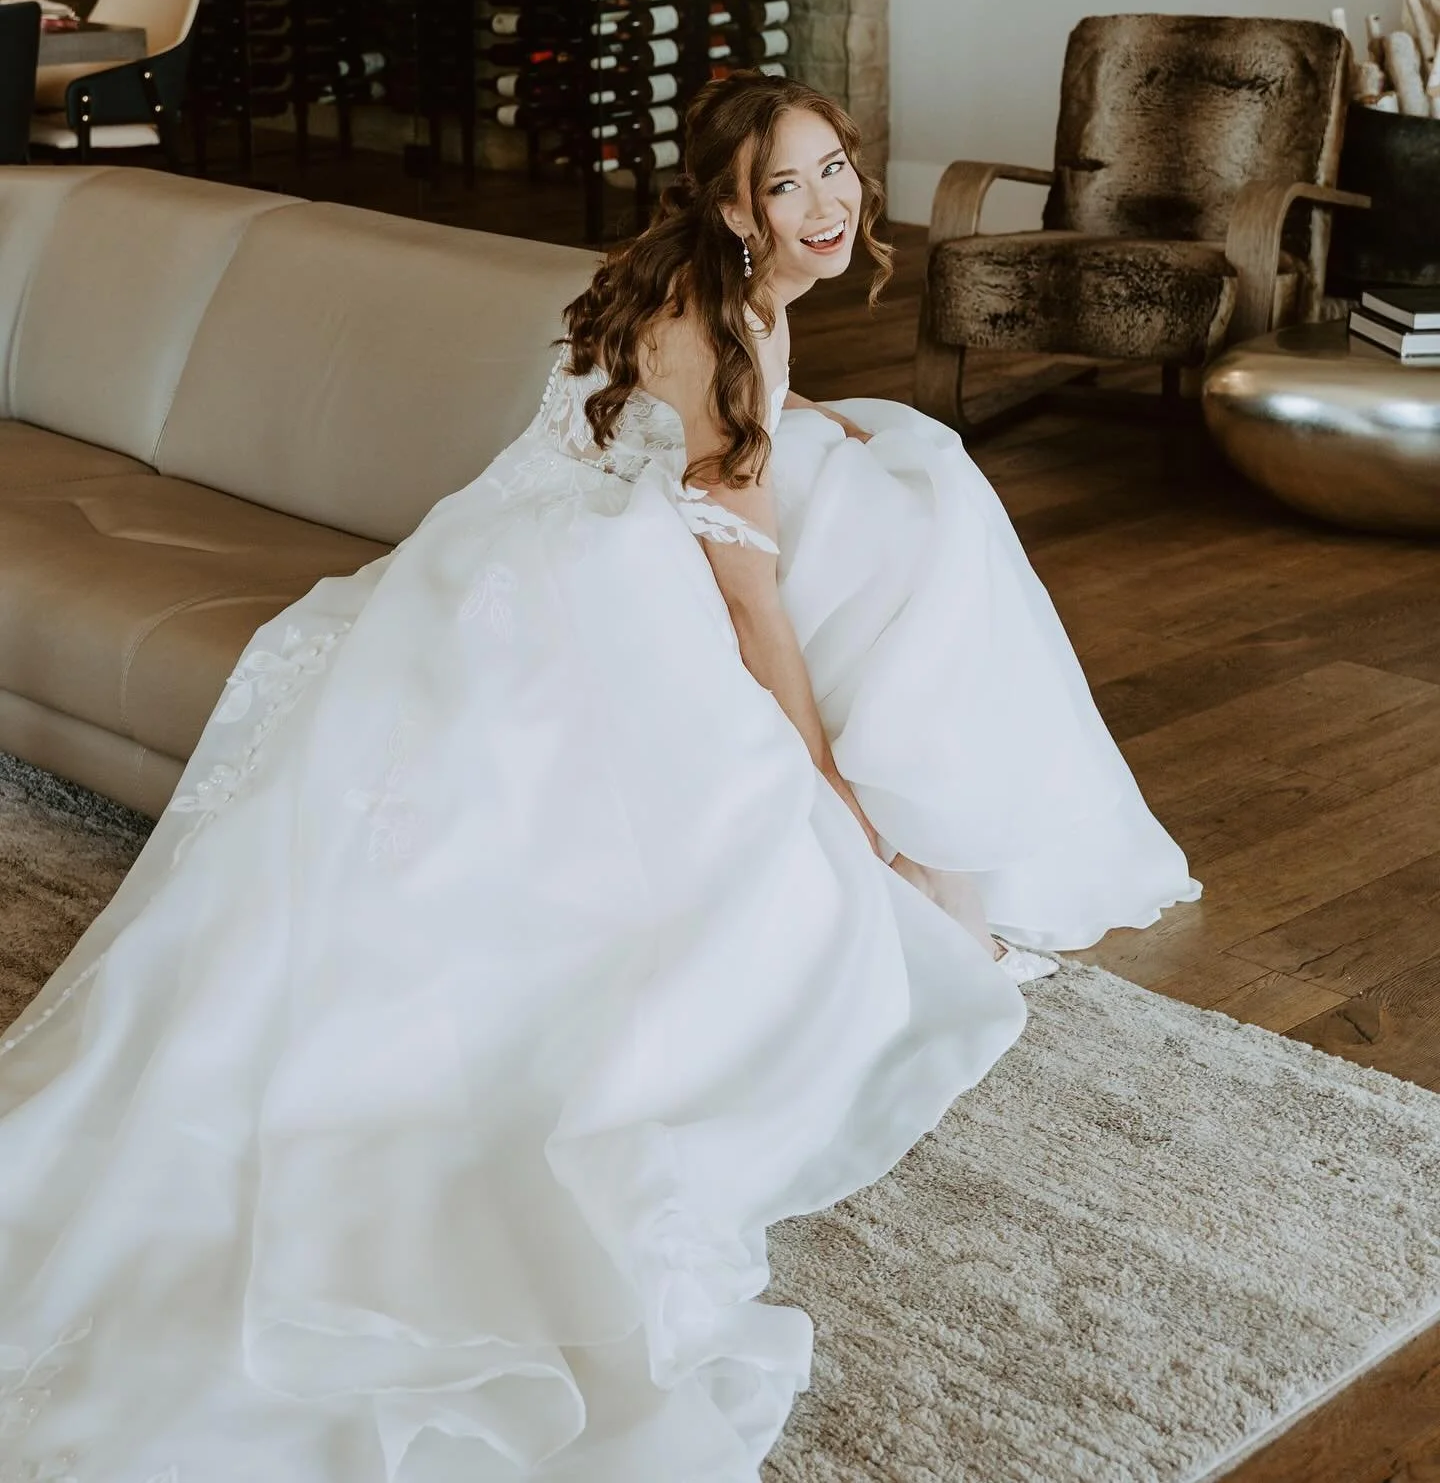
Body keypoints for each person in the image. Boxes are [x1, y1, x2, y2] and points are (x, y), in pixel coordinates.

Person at [0, 73, 1199, 1483]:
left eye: (836, 174)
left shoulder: (693, 283)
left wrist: (816, 431)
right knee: (755, 801)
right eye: (786, 188)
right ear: (730, 206)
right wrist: (833, 786)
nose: (826, 209)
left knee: (911, 464)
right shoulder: (729, 321)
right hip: (598, 584)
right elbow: (748, 601)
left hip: (497, 555)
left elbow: (702, 462)